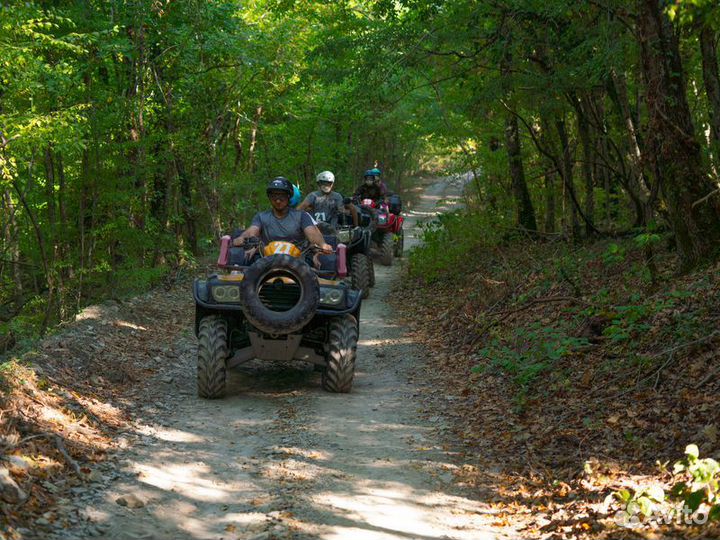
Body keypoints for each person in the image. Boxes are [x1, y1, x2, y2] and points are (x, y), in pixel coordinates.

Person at [233, 177, 332, 261]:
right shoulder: (261, 217)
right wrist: (242, 237)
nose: (278, 200)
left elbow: (312, 234)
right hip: (266, 260)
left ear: (289, 197)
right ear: (269, 197)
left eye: (282, 196)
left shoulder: (302, 216)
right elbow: (252, 231)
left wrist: (322, 244)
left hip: (298, 260)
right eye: (274, 196)